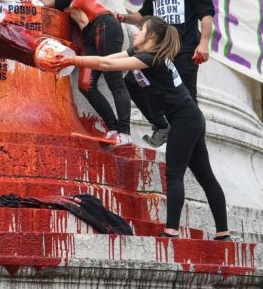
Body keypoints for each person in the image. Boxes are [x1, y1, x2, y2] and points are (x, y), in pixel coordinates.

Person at [48, 16, 230, 240]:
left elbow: (107, 65)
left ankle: (171, 232)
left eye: (140, 29)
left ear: (151, 36)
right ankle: (223, 233)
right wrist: (77, 59)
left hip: (185, 120)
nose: (136, 32)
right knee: (206, 177)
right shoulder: (142, 52)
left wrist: (73, 62)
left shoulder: (150, 57)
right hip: (190, 118)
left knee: (175, 175)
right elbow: (109, 58)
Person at [8, 0, 131, 144]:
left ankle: (125, 134)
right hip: (90, 35)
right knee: (86, 85)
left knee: (114, 80)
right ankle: (114, 128)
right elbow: (48, 1)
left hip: (104, 26)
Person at [118, 0, 215, 148]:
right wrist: (124, 16)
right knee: (132, 82)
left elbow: (206, 15)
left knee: (188, 100)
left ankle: (195, 146)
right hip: (159, 53)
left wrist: (204, 42)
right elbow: (145, 16)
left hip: (185, 50)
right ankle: (161, 126)